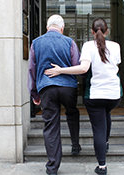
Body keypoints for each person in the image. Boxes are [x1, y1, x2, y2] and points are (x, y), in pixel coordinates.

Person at [45, 18, 122, 175]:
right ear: (107, 31)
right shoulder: (116, 46)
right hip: (114, 95)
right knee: (106, 113)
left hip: (95, 95)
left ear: (92, 32)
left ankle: (102, 166)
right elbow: (116, 65)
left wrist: (60, 70)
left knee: (98, 129)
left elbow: (83, 69)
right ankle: (106, 142)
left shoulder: (88, 45)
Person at [28, 14, 82, 175]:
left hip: (47, 88)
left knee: (51, 125)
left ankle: (52, 167)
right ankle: (75, 145)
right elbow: (76, 65)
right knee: (72, 113)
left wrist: (34, 93)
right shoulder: (70, 42)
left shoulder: (36, 43)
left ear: (47, 27)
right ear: (62, 28)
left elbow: (32, 70)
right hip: (68, 88)